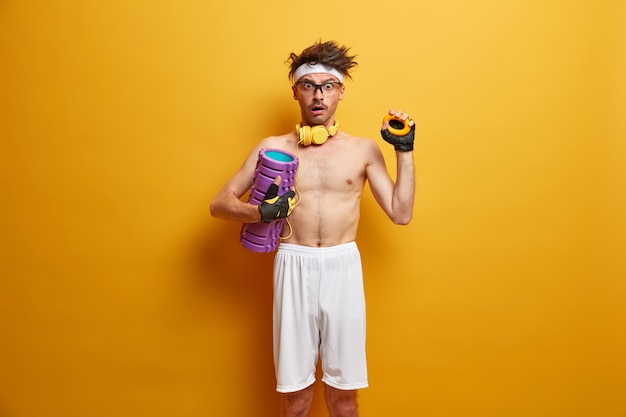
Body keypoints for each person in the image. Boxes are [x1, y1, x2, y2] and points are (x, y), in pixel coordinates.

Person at [210, 40, 415, 417]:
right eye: (308, 86)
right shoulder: (271, 148)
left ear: (340, 92)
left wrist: (404, 151)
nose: (318, 96)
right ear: (296, 92)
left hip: (343, 267)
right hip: (293, 264)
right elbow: (219, 204)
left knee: (344, 398)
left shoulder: (363, 150)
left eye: (326, 87)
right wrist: (260, 212)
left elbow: (401, 213)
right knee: (296, 397)